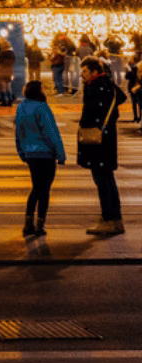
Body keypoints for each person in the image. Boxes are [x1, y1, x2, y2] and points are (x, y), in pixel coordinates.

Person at [77, 55, 127, 236]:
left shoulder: (97, 87)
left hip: (98, 142)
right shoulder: (107, 86)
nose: (81, 74)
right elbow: (120, 98)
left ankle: (109, 219)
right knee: (107, 179)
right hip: (106, 140)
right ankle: (115, 219)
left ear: (95, 72)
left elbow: (92, 114)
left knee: (102, 180)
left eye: (84, 71)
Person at [14, 79, 65, 237]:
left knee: (36, 188)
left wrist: (22, 152)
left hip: (30, 154)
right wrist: (60, 153)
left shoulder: (21, 108)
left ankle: (28, 224)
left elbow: (18, 133)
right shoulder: (42, 108)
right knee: (44, 191)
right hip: (45, 154)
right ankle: (40, 226)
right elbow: (50, 132)